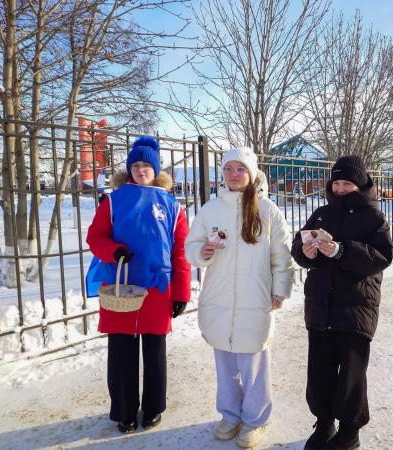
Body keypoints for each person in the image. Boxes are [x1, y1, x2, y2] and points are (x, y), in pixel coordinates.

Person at [184, 147, 295, 449]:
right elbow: (191, 246)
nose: (234, 174)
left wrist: (280, 290)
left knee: (253, 363)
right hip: (219, 299)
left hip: (254, 300)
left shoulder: (267, 210)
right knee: (224, 363)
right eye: (228, 168)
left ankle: (256, 418)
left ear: (252, 172)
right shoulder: (211, 210)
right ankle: (230, 415)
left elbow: (281, 254)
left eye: (241, 168)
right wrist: (201, 252)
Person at [86, 136, 191, 434]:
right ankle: (125, 411)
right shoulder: (113, 201)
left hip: (158, 288)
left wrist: (181, 293)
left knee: (155, 353)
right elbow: (95, 237)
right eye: (135, 165)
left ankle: (154, 407)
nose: (141, 169)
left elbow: (180, 252)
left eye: (146, 165)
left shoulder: (171, 205)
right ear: (129, 169)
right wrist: (113, 251)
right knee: (121, 352)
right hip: (120, 286)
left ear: (156, 169)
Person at [291, 155, 393, 450]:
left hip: (356, 308)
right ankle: (324, 424)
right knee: (319, 372)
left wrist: (341, 251)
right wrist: (305, 253)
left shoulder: (374, 217)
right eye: (336, 183)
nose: (340, 188)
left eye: (347, 183)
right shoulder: (322, 214)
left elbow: (381, 257)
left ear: (359, 185)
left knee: (351, 374)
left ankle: (350, 431)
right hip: (320, 306)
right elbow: (298, 246)